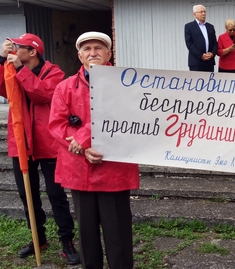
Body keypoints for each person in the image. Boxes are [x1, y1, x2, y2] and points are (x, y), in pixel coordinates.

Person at [48, 31, 140, 269]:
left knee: (118, 233)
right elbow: (57, 124)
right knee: (87, 234)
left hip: (114, 170)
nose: (93, 53)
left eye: (98, 48)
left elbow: (121, 115)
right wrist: (81, 148)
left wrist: (83, 137)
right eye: (87, 49)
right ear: (80, 56)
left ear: (109, 54)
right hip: (79, 169)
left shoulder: (125, 83)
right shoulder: (65, 87)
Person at [0, 33, 80, 265]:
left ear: (32, 52)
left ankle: (66, 241)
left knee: (56, 195)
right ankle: (38, 238)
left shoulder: (55, 72)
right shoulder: (11, 67)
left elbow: (41, 95)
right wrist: (1, 62)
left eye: (18, 46)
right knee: (27, 194)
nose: (13, 49)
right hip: (20, 141)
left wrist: (21, 70)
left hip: (48, 143)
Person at [184, 4, 217, 72]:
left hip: (209, 61)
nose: (203, 14)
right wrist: (201, 55)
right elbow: (189, 44)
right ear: (195, 14)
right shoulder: (189, 27)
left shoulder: (210, 27)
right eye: (201, 12)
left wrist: (212, 53)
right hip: (196, 62)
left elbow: (215, 43)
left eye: (205, 12)